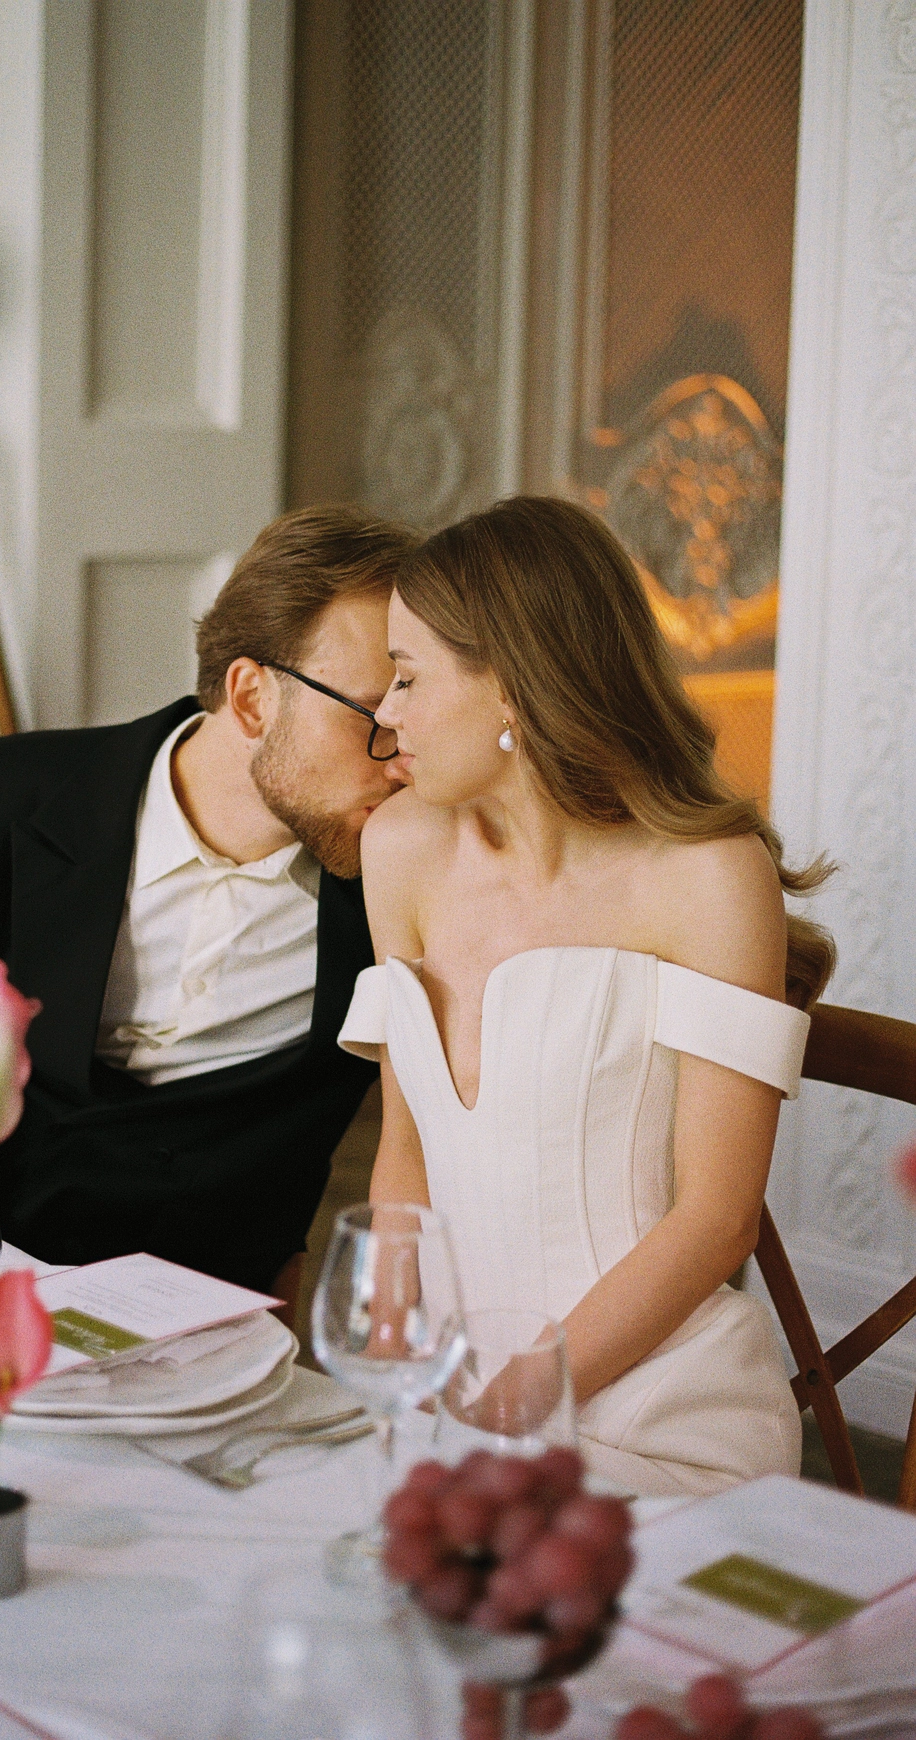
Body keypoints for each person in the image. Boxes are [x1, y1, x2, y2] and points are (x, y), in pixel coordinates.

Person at [338, 496, 834, 1497]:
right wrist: (392, 1375)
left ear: (512, 687)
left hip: (658, 1418)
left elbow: (718, 1219)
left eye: (408, 676)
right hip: (452, 1395)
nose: (384, 713)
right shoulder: (400, 851)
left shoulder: (707, 876)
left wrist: (509, 1406)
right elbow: (406, 1150)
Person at [0, 506, 418, 1304]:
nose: (402, 763)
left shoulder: (407, 875)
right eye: (375, 719)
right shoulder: (12, 798)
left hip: (212, 1321)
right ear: (252, 699)